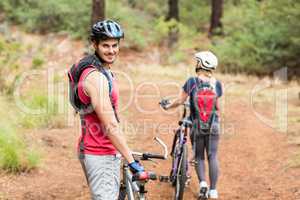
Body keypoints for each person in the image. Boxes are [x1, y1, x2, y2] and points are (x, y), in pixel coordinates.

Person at [68, 19, 144, 200]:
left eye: (115, 45)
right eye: (105, 45)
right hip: (100, 153)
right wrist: (132, 161)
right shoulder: (96, 78)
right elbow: (110, 125)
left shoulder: (95, 67)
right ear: (95, 44)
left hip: (92, 146)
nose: (111, 51)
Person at [160, 51, 223, 199]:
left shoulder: (192, 82)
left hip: (197, 125)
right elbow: (218, 108)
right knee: (213, 156)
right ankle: (213, 191)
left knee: (199, 157)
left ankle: (203, 185)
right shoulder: (217, 84)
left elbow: (180, 101)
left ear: (200, 64)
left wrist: (168, 106)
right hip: (213, 125)